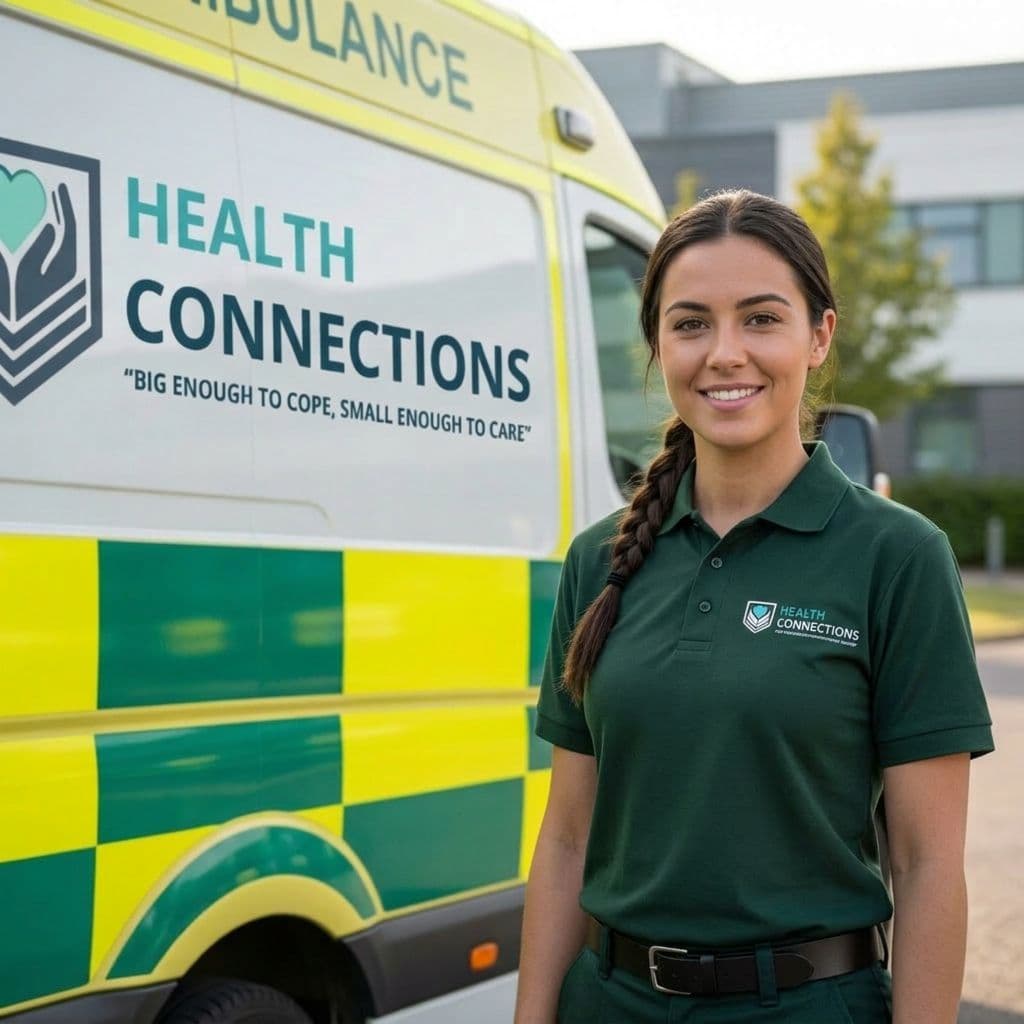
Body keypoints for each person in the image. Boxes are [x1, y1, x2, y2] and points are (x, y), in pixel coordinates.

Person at [513, 190, 994, 1024]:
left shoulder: (898, 557)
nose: (725, 353)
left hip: (808, 1006)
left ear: (818, 336)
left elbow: (925, 864)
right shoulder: (599, 560)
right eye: (691, 323)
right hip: (608, 1003)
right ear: (658, 345)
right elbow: (565, 839)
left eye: (761, 319)